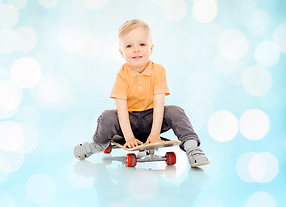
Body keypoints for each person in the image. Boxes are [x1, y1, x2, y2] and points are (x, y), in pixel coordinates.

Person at [74, 19, 209, 167]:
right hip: (129, 120)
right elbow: (122, 110)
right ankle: (98, 144)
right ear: (121, 52)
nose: (136, 49)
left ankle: (192, 148)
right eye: (129, 45)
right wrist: (129, 137)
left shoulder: (158, 71)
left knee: (175, 111)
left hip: (152, 118)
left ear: (151, 49)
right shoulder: (122, 75)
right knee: (107, 116)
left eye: (142, 44)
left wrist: (155, 134)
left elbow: (159, 104)